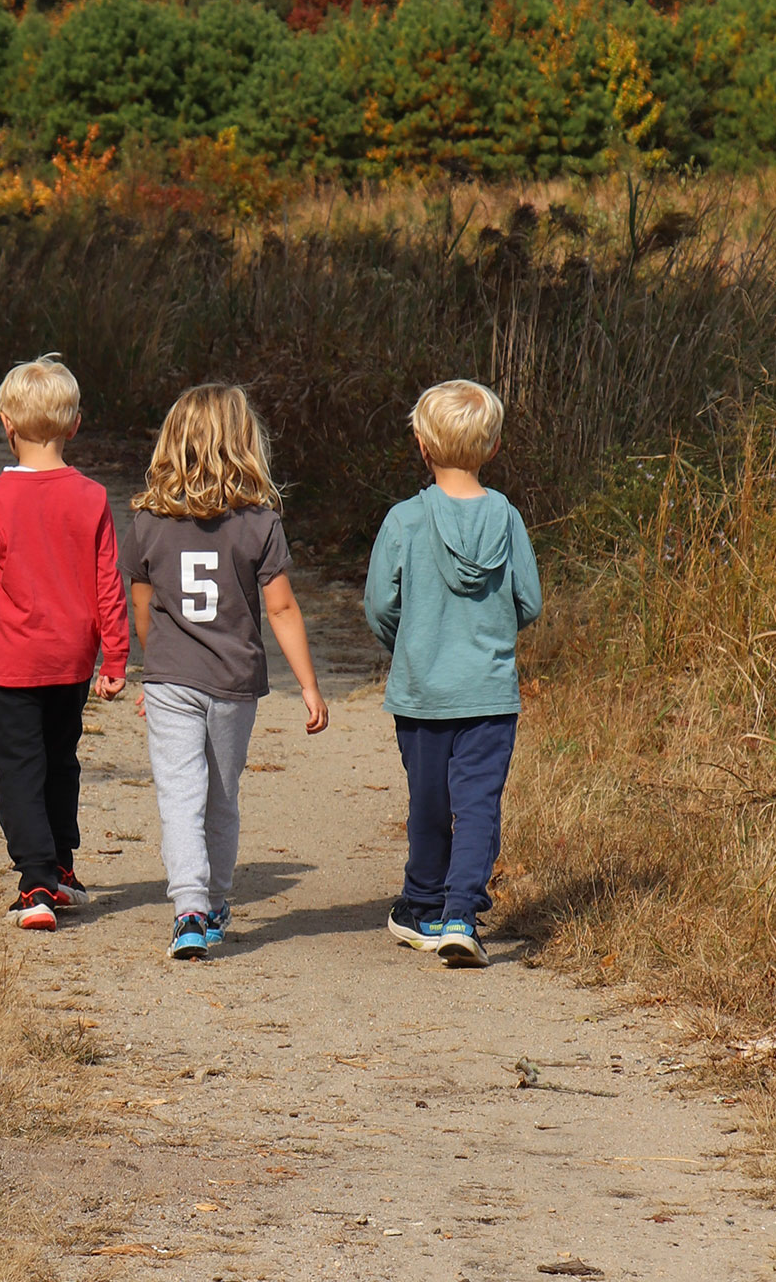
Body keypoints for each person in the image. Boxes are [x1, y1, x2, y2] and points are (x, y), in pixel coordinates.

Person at [122, 384, 329, 963]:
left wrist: (156, 665)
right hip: (236, 684)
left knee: (179, 794)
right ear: (245, 444)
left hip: (170, 680)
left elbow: (143, 608)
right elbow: (282, 608)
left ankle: (187, 911)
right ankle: (212, 903)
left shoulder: (148, 521)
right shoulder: (260, 523)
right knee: (222, 795)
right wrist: (309, 684)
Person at [0, 354, 129, 930]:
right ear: (74, 425)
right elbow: (108, 585)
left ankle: (36, 882)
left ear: (5, 423)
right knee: (61, 760)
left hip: (14, 662)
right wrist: (115, 655)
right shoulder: (90, 496)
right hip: (73, 660)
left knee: (21, 766)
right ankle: (61, 863)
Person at [364, 378, 542, 969]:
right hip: (489, 693)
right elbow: (529, 602)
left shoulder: (403, 520)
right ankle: (462, 914)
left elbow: (378, 607)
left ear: (421, 444)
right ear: (492, 448)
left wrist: (411, 642)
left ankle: (422, 905)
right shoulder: (507, 516)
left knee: (430, 802)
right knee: (479, 804)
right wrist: (489, 637)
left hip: (422, 693)